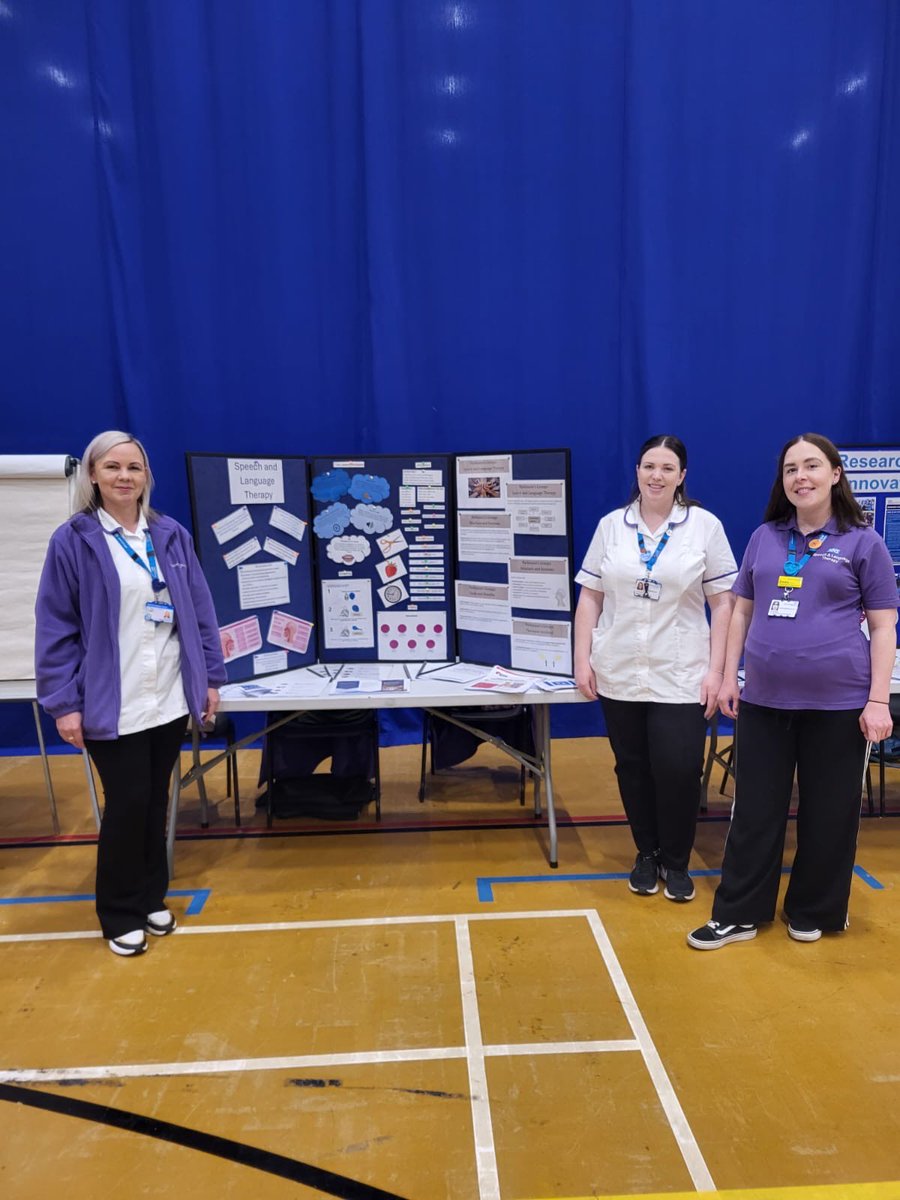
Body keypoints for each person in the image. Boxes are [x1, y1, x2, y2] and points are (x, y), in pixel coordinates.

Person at [688, 434, 897, 950]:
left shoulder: (862, 541)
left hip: (839, 704)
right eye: (790, 469)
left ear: (835, 475)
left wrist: (877, 700)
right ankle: (739, 913)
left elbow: (884, 626)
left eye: (811, 466)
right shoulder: (765, 536)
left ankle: (816, 910)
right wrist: (731, 673)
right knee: (755, 810)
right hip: (764, 700)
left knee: (830, 812)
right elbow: (740, 609)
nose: (800, 477)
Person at [35, 431, 226, 957]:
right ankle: (119, 911)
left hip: (166, 695)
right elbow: (54, 628)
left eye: (135, 468)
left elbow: (201, 612)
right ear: (92, 475)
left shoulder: (170, 535)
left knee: (156, 800)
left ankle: (149, 896)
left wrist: (209, 678)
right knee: (126, 803)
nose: (125, 477)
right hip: (108, 700)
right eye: (113, 467)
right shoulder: (72, 540)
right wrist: (63, 703)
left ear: (146, 477)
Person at [574, 435, 737, 901]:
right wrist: (580, 657)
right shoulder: (612, 526)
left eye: (667, 468)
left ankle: (677, 859)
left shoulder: (703, 526)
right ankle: (646, 853)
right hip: (620, 669)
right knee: (632, 767)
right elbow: (590, 596)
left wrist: (718, 670)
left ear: (682, 476)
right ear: (638, 471)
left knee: (680, 769)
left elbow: (723, 604)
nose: (656, 475)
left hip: (682, 671)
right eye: (649, 466)